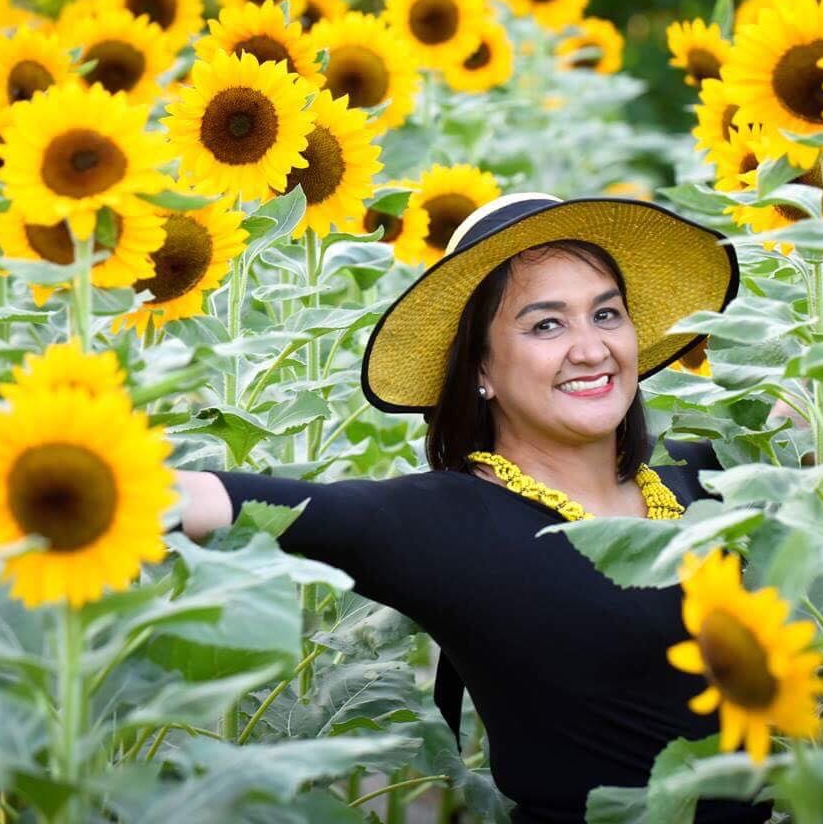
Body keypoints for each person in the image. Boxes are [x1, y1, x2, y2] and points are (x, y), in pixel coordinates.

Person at [176, 192, 764, 823]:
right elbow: (225, 499)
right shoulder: (449, 522)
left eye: (607, 314)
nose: (592, 349)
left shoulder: (705, 471)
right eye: (547, 324)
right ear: (481, 365)